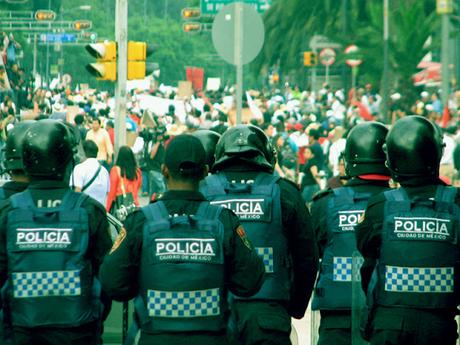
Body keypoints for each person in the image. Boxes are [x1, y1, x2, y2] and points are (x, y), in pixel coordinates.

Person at [99, 134, 265, 345]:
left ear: (164, 170)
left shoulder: (140, 222)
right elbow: (251, 282)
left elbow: (112, 283)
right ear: (205, 171)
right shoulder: (224, 222)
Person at [200, 124, 319, 345]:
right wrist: (295, 307)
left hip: (211, 314)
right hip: (268, 313)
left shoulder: (202, 192)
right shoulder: (285, 192)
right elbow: (307, 258)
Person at [0, 119, 112, 345]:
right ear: (68, 164)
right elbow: (108, 280)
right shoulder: (89, 210)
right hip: (78, 333)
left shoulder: (7, 212)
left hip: (21, 333)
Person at [357, 115, 460, 345]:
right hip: (439, 326)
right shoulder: (456, 203)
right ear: (436, 154)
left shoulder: (379, 207)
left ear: (391, 159)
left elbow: (367, 258)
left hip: (388, 325)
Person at [310, 122, 391, 345]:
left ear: (349, 159)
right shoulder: (402, 204)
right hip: (388, 318)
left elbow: (309, 256)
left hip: (337, 319)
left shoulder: (326, 203)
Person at [70, 139, 110, 207]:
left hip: (83, 213)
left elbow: (76, 192)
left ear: (83, 152)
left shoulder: (79, 168)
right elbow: (107, 194)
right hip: (100, 212)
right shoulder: (105, 171)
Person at [106, 145, 142, 213]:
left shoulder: (115, 170)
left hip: (121, 208)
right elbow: (138, 187)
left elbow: (111, 194)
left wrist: (107, 210)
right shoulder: (137, 171)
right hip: (135, 206)